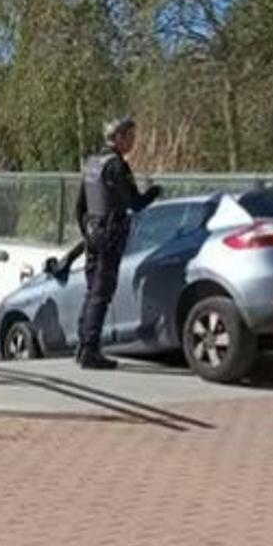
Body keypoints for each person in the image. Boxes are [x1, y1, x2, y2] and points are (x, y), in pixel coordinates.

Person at [74, 117, 162, 370]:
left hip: (93, 235)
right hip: (110, 236)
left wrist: (88, 233)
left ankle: (82, 347)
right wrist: (155, 191)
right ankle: (90, 351)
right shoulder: (116, 166)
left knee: (92, 291)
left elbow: (79, 207)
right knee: (101, 293)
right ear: (119, 137)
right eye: (131, 137)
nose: (134, 142)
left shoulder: (92, 164)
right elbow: (135, 203)